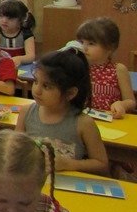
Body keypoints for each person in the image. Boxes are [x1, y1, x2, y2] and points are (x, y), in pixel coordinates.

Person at [15, 47, 109, 175]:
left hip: (66, 184)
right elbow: (15, 150)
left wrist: (69, 164)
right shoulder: (26, 112)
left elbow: (102, 164)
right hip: (31, 181)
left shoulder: (83, 123)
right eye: (36, 81)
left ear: (70, 93)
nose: (36, 90)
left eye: (46, 86)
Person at [76, 17, 135, 118]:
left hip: (111, 121)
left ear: (110, 47)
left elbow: (131, 101)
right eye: (81, 42)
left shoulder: (118, 69)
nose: (84, 48)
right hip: (83, 121)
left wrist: (122, 104)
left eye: (91, 43)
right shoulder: (77, 67)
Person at [0, 0, 36, 67]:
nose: (4, 21)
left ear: (21, 19)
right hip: (0, 66)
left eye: (10, 18)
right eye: (1, 16)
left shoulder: (26, 33)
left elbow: (31, 56)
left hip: (21, 67)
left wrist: (19, 59)